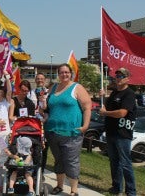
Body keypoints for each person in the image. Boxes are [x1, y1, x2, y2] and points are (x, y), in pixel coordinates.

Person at [44, 63, 91, 196]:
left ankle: (74, 190)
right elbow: (48, 108)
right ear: (58, 74)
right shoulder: (53, 88)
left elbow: (87, 107)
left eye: (67, 72)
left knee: (71, 161)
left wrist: (85, 126)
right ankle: (59, 186)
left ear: (71, 73)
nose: (64, 74)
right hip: (52, 131)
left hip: (71, 133)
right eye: (61, 72)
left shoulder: (77, 87)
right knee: (58, 160)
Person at [99, 68, 137, 196]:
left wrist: (106, 113)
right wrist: (103, 98)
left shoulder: (129, 94)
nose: (118, 78)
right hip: (111, 132)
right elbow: (105, 109)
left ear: (127, 78)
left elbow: (122, 113)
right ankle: (116, 187)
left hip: (123, 134)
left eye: (121, 76)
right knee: (114, 162)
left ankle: (131, 191)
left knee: (125, 163)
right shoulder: (114, 93)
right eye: (117, 76)